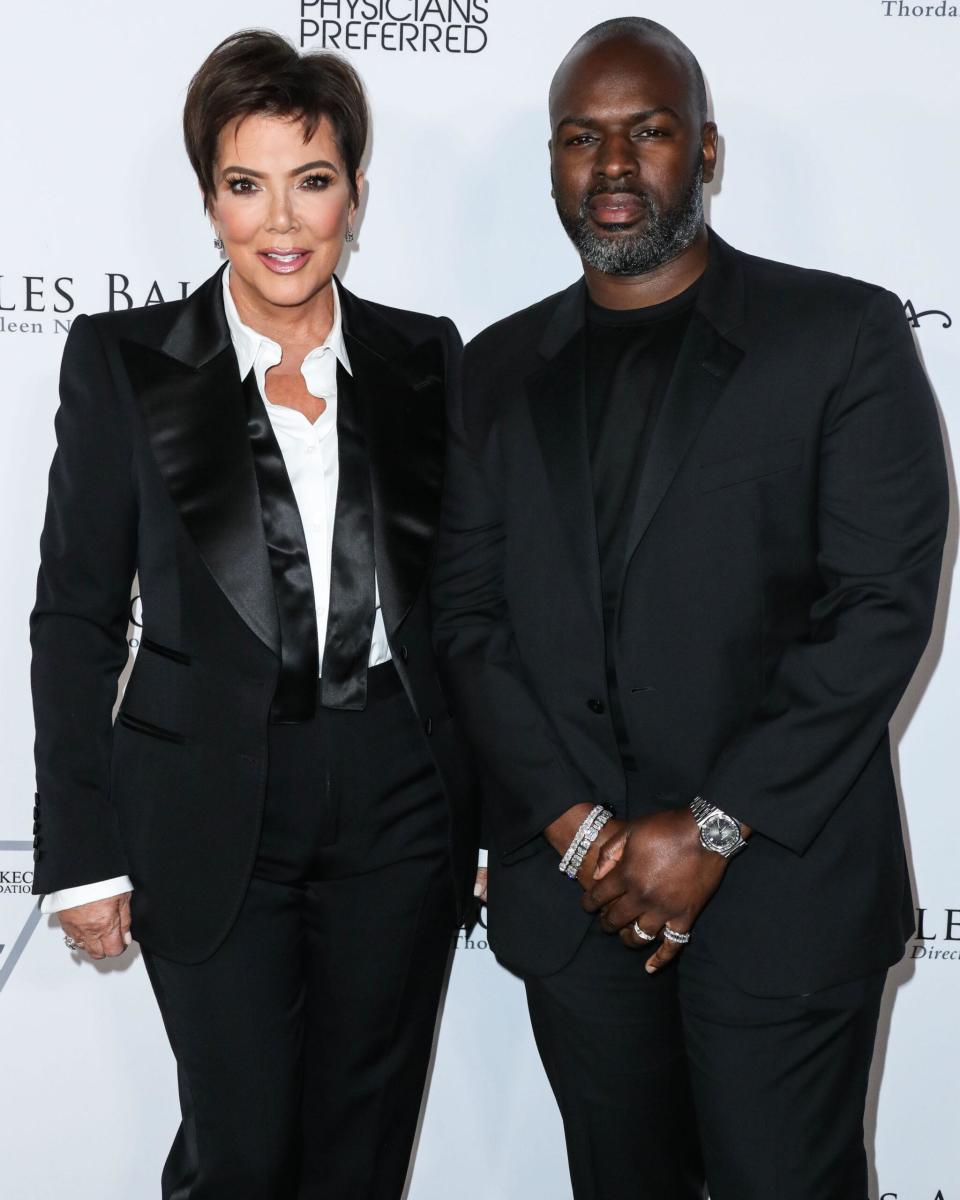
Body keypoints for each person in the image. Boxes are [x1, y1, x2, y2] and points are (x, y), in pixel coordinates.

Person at [432, 16, 947, 1200]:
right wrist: (576, 830)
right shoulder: (496, 370)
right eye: (581, 138)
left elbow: (878, 610)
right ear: (555, 164)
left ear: (706, 152)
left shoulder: (841, 335)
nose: (613, 167)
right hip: (577, 903)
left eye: (648, 132)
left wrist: (711, 827)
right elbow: (464, 617)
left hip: (783, 900)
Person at [30, 30, 477, 1200]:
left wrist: (494, 814)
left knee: (361, 1153)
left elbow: (468, 610)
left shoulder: (426, 360)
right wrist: (78, 852)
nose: (281, 220)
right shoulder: (124, 363)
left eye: (312, 180)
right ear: (209, 198)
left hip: (398, 798)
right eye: (246, 183)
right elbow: (76, 615)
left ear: (355, 195)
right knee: (239, 1153)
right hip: (203, 796)